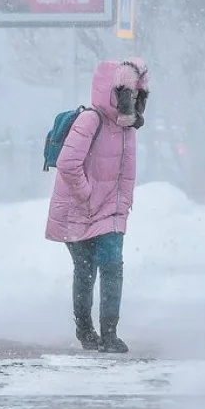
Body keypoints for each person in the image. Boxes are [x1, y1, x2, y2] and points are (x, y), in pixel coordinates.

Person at [46, 57, 149, 353]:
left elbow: (126, 173)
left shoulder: (128, 129)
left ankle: (110, 333)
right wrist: (87, 195)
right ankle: (85, 329)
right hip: (80, 209)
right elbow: (68, 164)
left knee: (113, 266)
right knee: (86, 269)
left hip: (111, 212)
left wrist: (122, 204)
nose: (131, 102)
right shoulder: (91, 120)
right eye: (126, 94)